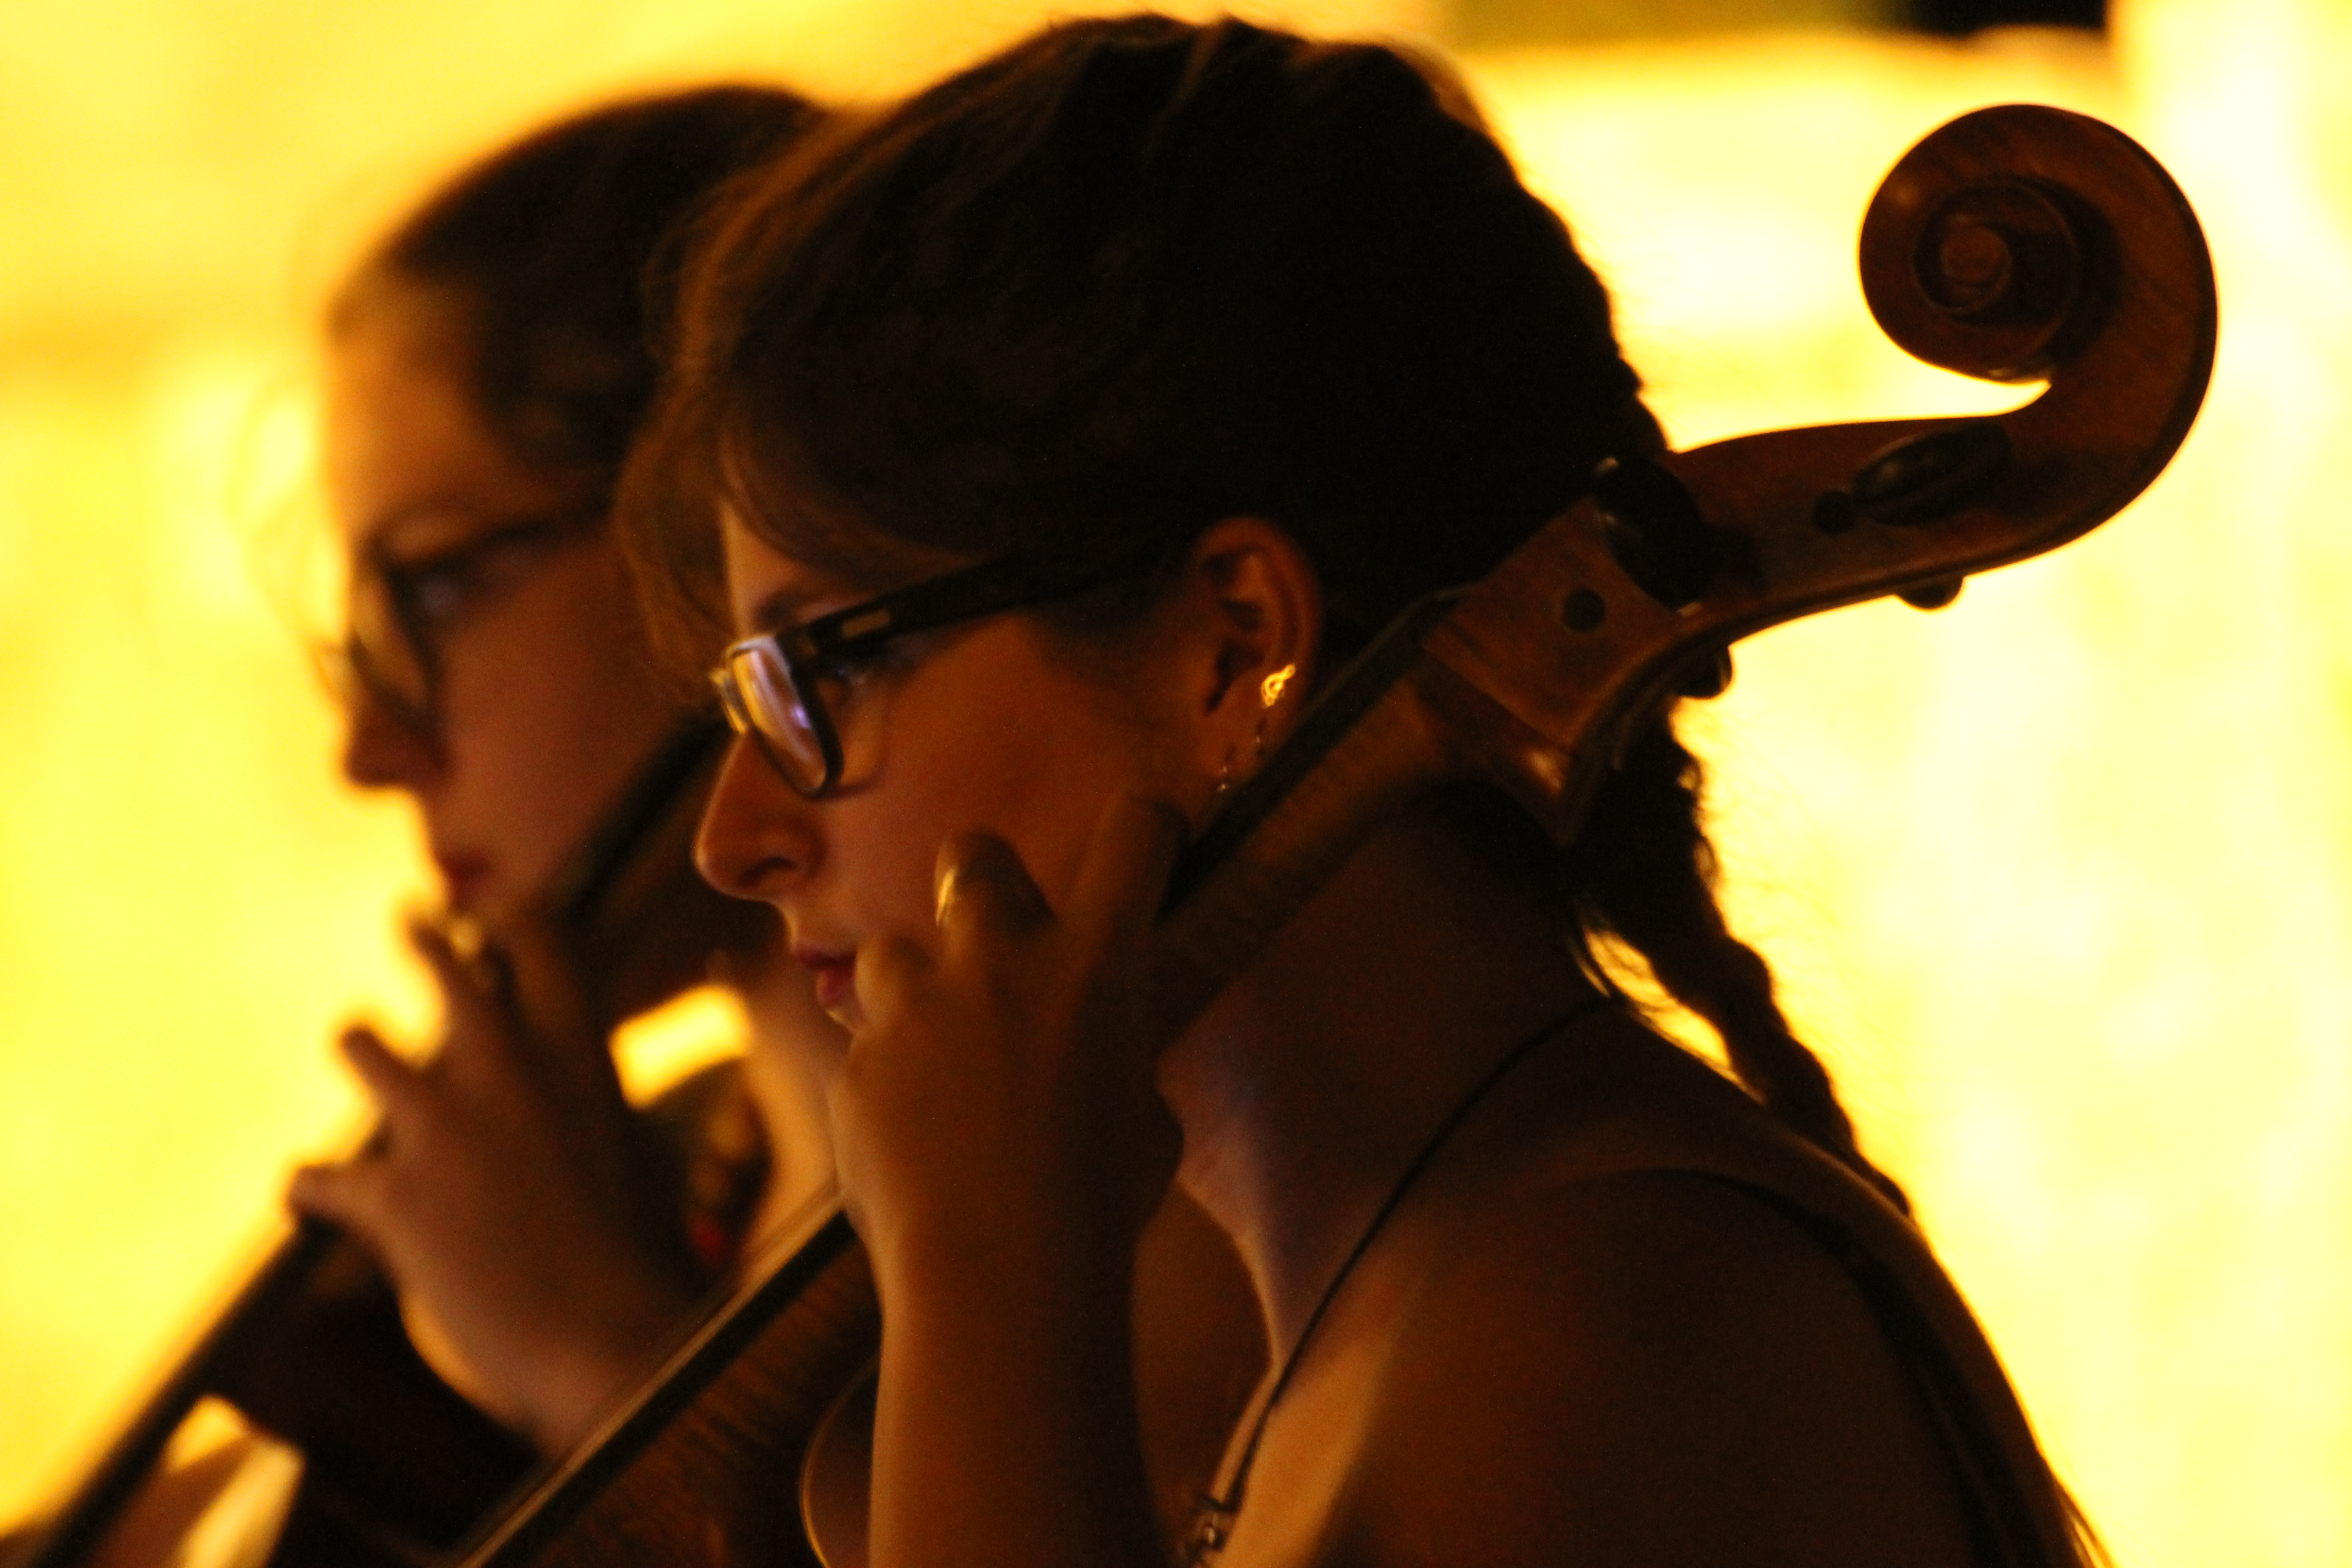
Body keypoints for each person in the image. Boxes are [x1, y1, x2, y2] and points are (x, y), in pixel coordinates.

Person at [628, 15, 2103, 1567]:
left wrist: (988, 1291)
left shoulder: (1588, 1311)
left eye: (821, 672)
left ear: (1231, 644)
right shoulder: (1368, 1309)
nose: (736, 840)